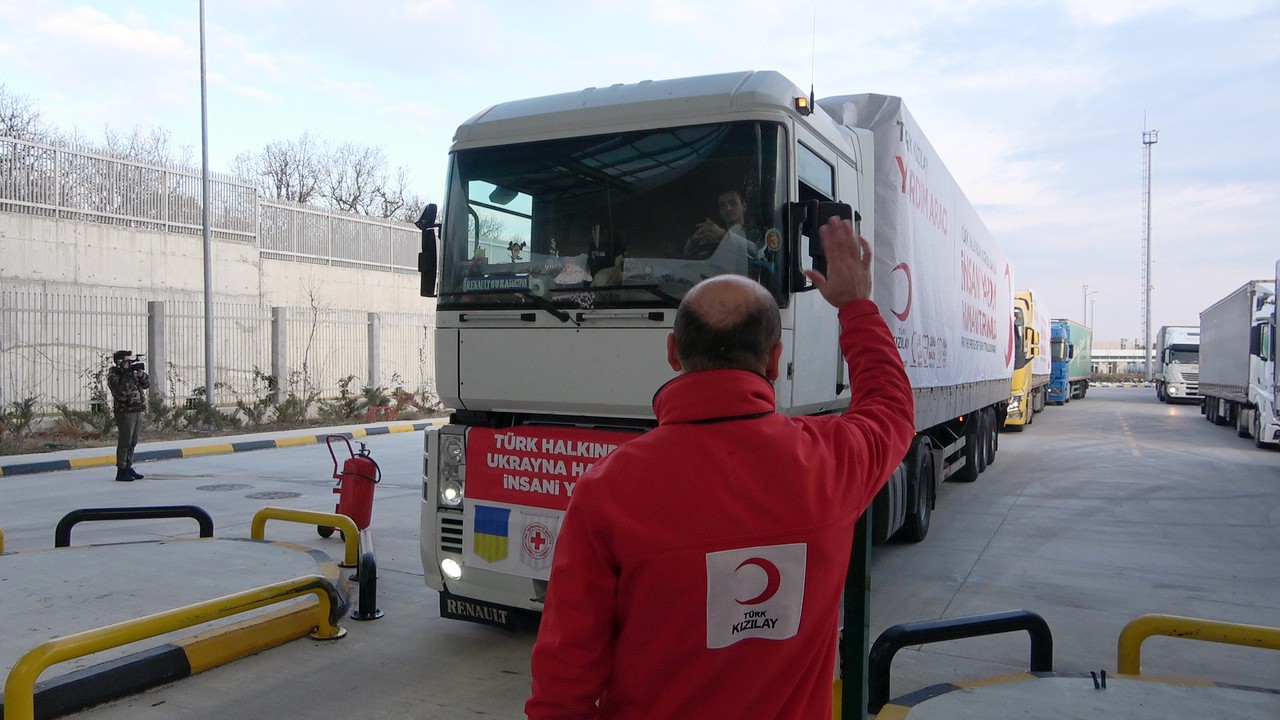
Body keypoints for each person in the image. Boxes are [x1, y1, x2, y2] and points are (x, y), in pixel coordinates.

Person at [526, 217, 916, 719]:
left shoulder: (608, 489)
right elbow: (891, 409)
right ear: (774, 362)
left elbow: (564, 684)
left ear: (673, 353)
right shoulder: (830, 463)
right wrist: (857, 308)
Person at [683, 187, 763, 273]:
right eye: (722, 205)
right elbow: (686, 257)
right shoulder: (714, 234)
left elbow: (756, 252)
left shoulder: (756, 232)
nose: (728, 208)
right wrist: (694, 240)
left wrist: (723, 235)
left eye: (733, 203)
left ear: (744, 206)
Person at [106, 349, 150, 482]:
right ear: (119, 362)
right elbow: (119, 391)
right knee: (125, 442)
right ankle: (121, 470)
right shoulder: (114, 374)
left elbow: (146, 384)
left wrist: (141, 375)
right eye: (127, 360)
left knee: (133, 441)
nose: (130, 363)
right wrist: (125, 373)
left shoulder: (132, 373)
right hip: (125, 412)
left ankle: (128, 466)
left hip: (137, 410)